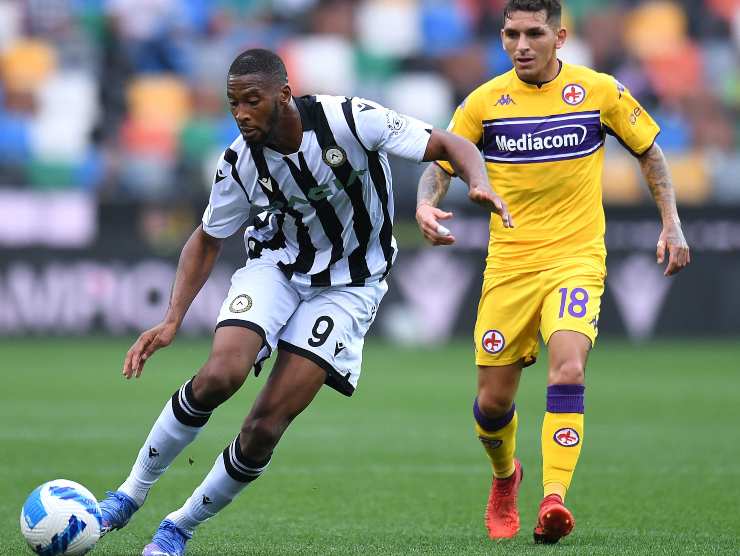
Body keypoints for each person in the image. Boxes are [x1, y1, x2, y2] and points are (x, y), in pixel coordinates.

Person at [97, 48, 512, 555]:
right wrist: (170, 320)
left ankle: (178, 527)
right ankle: (128, 495)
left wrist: (477, 183)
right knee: (220, 375)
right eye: (234, 104)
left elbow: (449, 144)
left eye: (253, 101)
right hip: (279, 266)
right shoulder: (241, 160)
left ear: (284, 94)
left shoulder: (351, 120)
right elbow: (207, 237)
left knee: (265, 426)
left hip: (351, 286)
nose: (242, 114)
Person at [415, 0, 690, 545]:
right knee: (493, 404)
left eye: (534, 33)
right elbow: (439, 160)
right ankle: (505, 477)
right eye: (512, 34)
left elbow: (650, 153)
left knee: (568, 371)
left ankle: (554, 500)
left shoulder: (598, 90)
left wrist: (672, 224)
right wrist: (426, 203)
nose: (522, 45)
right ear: (501, 36)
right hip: (510, 266)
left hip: (576, 259)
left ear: (559, 36)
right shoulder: (484, 102)